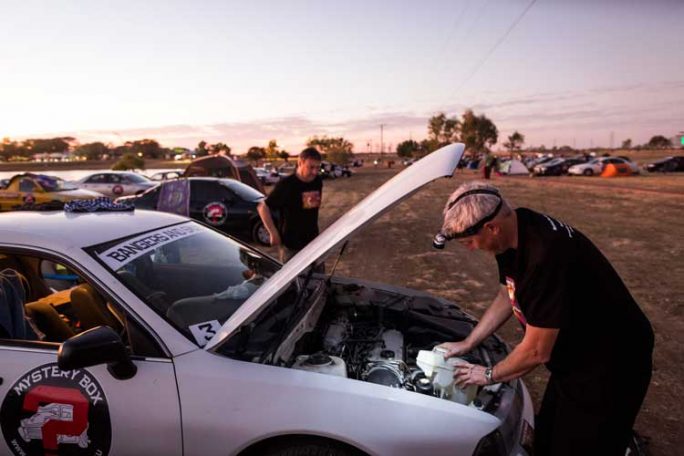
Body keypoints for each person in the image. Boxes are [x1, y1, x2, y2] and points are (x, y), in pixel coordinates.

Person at [434, 181, 653, 456]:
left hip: (611, 361)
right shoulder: (515, 230)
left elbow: (537, 351)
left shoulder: (545, 255)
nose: (471, 248)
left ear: (491, 227)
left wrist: (488, 375)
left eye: (470, 241)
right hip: (575, 357)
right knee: (547, 437)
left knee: (583, 446)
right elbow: (507, 294)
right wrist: (468, 343)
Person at [257, 147, 323, 263]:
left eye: (318, 167)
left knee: (316, 279)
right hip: (291, 246)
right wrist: (273, 233)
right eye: (311, 167)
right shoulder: (287, 184)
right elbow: (263, 207)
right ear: (300, 163)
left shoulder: (317, 181)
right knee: (293, 281)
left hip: (313, 242)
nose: (315, 172)